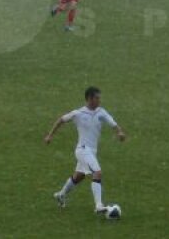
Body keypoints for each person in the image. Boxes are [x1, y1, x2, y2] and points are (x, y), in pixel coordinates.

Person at [44, 86, 126, 215]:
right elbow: (61, 120)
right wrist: (50, 135)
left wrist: (119, 132)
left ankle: (61, 194)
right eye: (97, 98)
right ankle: (99, 205)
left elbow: (113, 123)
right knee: (97, 172)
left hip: (91, 152)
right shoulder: (78, 113)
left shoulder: (101, 112)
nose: (99, 100)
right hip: (82, 150)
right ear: (89, 99)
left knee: (79, 176)